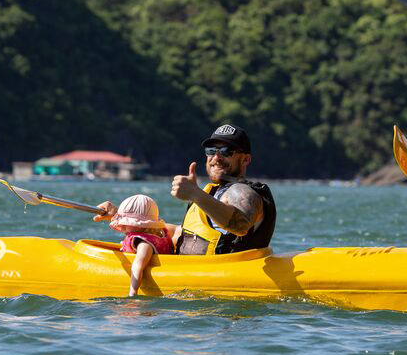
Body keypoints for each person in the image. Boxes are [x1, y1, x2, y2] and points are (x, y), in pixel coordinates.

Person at [95, 124, 276, 255]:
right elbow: (183, 233)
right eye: (211, 150)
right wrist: (123, 216)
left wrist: (195, 194)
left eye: (227, 151)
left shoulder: (243, 192)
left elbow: (240, 224)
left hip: (218, 281)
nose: (216, 157)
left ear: (245, 160)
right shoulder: (212, 193)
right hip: (188, 276)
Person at [106, 194, 174, 296]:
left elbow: (137, 266)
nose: (121, 225)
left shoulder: (144, 244)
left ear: (139, 225)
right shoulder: (158, 233)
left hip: (142, 279)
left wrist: (133, 292)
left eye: (126, 222)